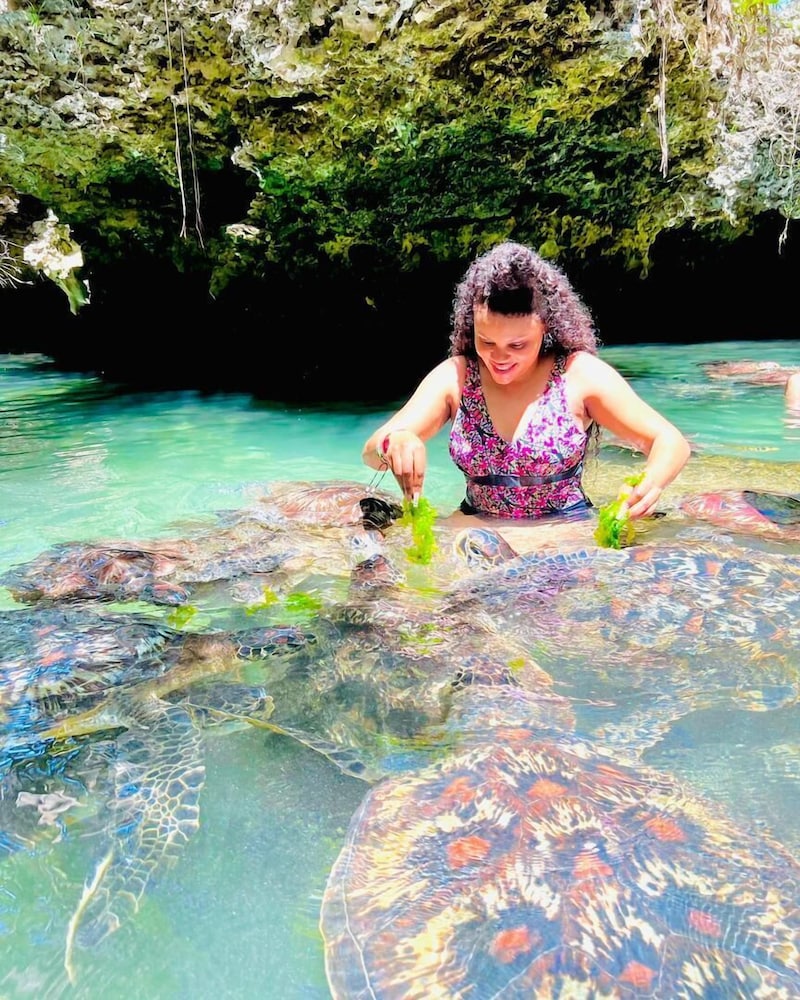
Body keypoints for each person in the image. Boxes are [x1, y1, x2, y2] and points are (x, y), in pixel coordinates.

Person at [362, 241, 691, 520]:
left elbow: (668, 441)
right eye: (486, 342)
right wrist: (397, 441)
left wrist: (651, 484)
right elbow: (372, 453)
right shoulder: (457, 377)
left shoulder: (579, 375)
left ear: (546, 328)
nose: (499, 357)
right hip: (476, 533)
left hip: (564, 534)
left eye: (517, 345)